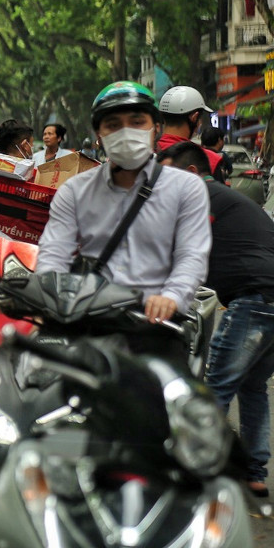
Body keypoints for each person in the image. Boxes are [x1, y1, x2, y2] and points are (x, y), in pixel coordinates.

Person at [37, 81, 211, 367]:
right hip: (88, 327)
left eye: (137, 121)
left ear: (156, 128)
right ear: (98, 135)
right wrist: (47, 296)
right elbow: (53, 254)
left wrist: (171, 297)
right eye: (113, 124)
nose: (126, 131)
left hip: (156, 327)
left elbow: (192, 255)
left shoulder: (187, 188)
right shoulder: (74, 191)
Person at [157, 140, 274, 497]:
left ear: (192, 174)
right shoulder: (225, 201)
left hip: (254, 300)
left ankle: (193, 472)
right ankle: (254, 472)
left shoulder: (202, 198)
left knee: (215, 388)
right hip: (268, 299)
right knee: (253, 387)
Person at [157, 85, 227, 183]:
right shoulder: (209, 160)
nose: (200, 123)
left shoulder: (148, 153)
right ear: (194, 117)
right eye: (200, 119)